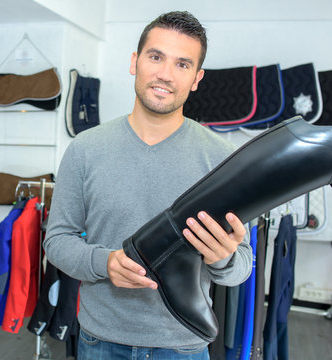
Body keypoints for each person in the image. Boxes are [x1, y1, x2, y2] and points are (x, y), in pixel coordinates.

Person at [44, 11, 253, 360]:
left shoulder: (222, 158)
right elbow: (57, 241)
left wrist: (225, 258)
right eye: (156, 57)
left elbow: (242, 265)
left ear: (197, 78)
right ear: (134, 62)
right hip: (100, 342)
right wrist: (104, 262)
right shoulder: (85, 148)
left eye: (182, 64)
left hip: (184, 346)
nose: (165, 74)